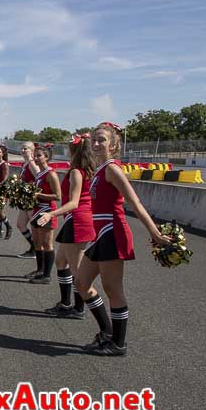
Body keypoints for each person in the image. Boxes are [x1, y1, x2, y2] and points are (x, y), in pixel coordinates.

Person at [74, 122, 172, 356]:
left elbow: (134, 202)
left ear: (114, 144)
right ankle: (107, 332)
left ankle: (118, 343)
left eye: (102, 140)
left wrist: (155, 233)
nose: (96, 144)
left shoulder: (112, 169)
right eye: (94, 140)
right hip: (101, 234)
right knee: (81, 282)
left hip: (112, 231)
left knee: (112, 288)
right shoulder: (99, 169)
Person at [36, 134, 96, 318]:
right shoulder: (81, 169)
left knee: (79, 273)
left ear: (73, 150)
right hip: (74, 219)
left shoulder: (77, 171)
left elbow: (74, 202)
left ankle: (78, 309)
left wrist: (51, 214)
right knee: (61, 262)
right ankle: (65, 303)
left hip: (78, 220)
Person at [28, 144, 61, 284]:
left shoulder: (51, 173)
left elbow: (58, 196)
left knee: (47, 244)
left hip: (46, 211)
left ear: (46, 157)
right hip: (37, 209)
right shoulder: (39, 173)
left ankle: (46, 275)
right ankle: (39, 270)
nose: (36, 158)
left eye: (39, 155)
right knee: (37, 243)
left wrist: (38, 194)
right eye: (35, 155)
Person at [16, 142, 40, 260]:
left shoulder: (31, 163)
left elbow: (39, 177)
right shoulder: (25, 164)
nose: (23, 150)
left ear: (32, 150)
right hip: (24, 197)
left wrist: (31, 187)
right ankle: (34, 246)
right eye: (22, 148)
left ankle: (37, 250)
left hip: (30, 198)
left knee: (34, 226)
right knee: (20, 225)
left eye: (25, 148)